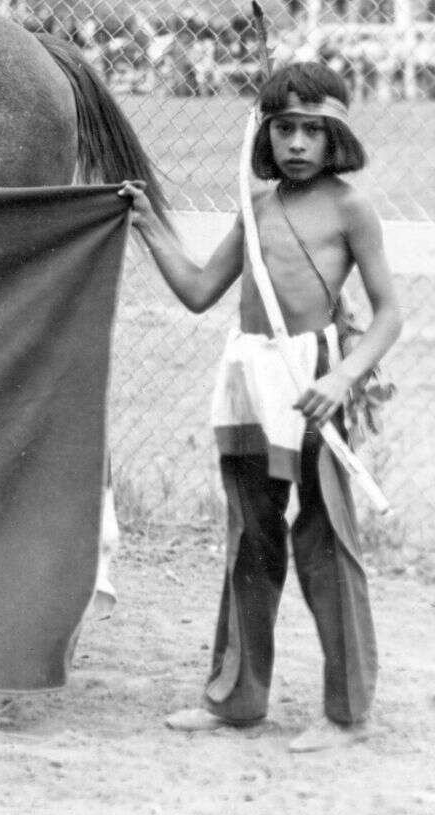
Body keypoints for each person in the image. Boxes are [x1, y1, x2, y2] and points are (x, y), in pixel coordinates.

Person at [120, 61, 402, 753]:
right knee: (252, 535)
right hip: (249, 377)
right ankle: (237, 699)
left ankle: (346, 712)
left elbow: (391, 314)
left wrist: (342, 379)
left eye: (313, 130)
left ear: (335, 137)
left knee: (326, 540)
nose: (298, 144)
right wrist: (150, 225)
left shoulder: (349, 208)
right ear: (266, 135)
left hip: (316, 381)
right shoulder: (255, 207)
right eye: (284, 130)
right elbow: (196, 290)